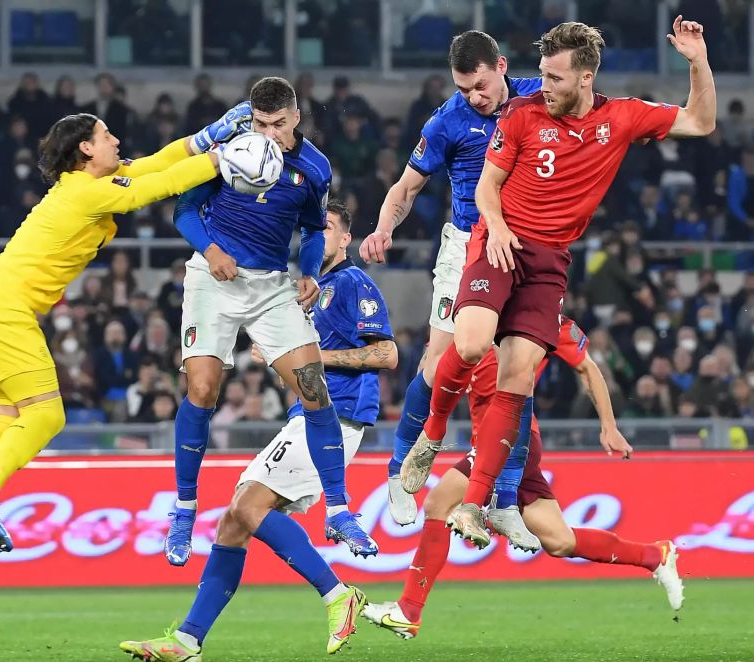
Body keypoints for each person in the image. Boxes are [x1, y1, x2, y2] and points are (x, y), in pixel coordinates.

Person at [0, 108, 244, 551]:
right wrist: (226, 157)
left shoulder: (89, 186)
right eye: (106, 134)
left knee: (7, 433)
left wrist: (208, 136)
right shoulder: (84, 194)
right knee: (48, 417)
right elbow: (158, 187)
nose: (116, 140)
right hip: (3, 309)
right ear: (85, 149)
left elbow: (157, 163)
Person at [403, 17, 716, 547]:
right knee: (474, 344)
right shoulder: (521, 115)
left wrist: (697, 61)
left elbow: (701, 122)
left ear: (587, 76)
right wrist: (498, 227)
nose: (542, 86)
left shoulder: (621, 118)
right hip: (498, 241)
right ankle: (431, 436)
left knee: (518, 378)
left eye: (554, 77)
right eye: (542, 74)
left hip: (549, 263)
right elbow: (487, 187)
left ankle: (475, 504)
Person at [120, 200, 397, 660]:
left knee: (246, 505)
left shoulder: (352, 283)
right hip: (303, 418)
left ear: (346, 238)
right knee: (232, 522)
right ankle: (187, 640)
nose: (320, 235)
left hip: (338, 418)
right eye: (314, 229)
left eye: (328, 228)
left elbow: (386, 354)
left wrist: (309, 359)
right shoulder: (305, 290)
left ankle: (338, 595)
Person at [362, 318, 684, 639]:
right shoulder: (470, 317)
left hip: (514, 440)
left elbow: (588, 368)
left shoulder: (539, 317)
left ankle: (408, 610)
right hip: (490, 444)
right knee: (560, 541)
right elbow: (432, 372)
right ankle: (655, 555)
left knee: (438, 503)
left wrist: (609, 426)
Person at [168, 77, 376, 567]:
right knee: (202, 390)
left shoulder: (315, 168)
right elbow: (184, 210)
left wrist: (307, 273)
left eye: (278, 124)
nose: (268, 134)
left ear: (296, 117)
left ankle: (340, 509)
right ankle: (183, 510)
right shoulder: (228, 146)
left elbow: (309, 228)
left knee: (313, 388)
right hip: (212, 276)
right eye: (260, 123)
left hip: (270, 284)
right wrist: (212, 249)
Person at [358, 30, 541, 525]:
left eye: (479, 86)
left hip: (524, 249)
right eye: (464, 90)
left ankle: (503, 500)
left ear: (501, 67)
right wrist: (382, 228)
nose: (473, 98)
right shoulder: (446, 122)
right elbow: (406, 186)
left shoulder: (538, 97)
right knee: (440, 365)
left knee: (515, 374)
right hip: (466, 247)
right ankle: (399, 473)